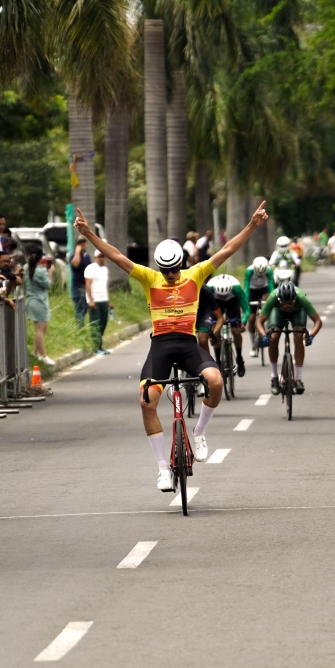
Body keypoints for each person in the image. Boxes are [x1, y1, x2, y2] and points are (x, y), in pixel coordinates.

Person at [74, 201, 268, 492]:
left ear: (181, 264)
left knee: (215, 380)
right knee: (146, 401)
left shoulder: (196, 274)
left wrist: (252, 225)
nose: (171, 275)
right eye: (166, 271)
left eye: (175, 270)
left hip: (188, 344)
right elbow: (115, 255)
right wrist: (89, 235)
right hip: (161, 347)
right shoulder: (149, 278)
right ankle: (163, 469)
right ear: (159, 268)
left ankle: (200, 432)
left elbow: (227, 251)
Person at [256, 280, 322, 396]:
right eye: (284, 303)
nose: (287, 306)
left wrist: (311, 336)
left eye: (290, 303)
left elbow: (318, 321)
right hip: (277, 312)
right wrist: (264, 336)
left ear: (295, 299)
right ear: (279, 300)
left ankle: (298, 379)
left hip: (298, 312)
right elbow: (259, 322)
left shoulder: (301, 297)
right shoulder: (273, 298)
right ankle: (274, 377)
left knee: (298, 336)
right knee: (274, 336)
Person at [207, 274, 249, 376]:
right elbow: (206, 309)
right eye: (221, 296)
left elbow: (247, 309)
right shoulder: (209, 289)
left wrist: (243, 322)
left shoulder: (237, 289)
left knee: (235, 330)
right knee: (215, 330)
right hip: (215, 303)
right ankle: (218, 360)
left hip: (232, 302)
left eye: (225, 296)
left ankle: (239, 358)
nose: (223, 298)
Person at [23, 244, 55, 366]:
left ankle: (35, 353)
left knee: (41, 328)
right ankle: (43, 355)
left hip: (31, 300)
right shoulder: (41, 271)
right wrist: (50, 272)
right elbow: (48, 285)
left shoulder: (25, 268)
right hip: (39, 301)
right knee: (40, 329)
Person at [244, 256, 275, 356]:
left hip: (264, 289)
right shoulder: (249, 271)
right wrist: (247, 304)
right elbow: (246, 289)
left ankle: (269, 323)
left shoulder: (269, 270)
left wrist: (272, 300)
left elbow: (271, 287)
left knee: (268, 300)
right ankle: (253, 345)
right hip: (252, 291)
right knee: (252, 318)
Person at [84, 250, 113, 354]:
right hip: (94, 301)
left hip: (103, 300)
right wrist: (90, 300)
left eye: (103, 256)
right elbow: (88, 284)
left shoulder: (105, 269)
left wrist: (108, 302)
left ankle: (99, 345)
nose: (102, 258)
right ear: (95, 258)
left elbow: (104, 287)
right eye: (99, 256)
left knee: (103, 323)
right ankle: (96, 347)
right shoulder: (90, 268)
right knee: (95, 323)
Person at [195, 283, 223, 354]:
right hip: (183, 314)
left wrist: (214, 334)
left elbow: (220, 318)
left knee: (202, 339)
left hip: (203, 313)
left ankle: (207, 363)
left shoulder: (205, 289)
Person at [70, 237, 91, 326]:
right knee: (79, 308)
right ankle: (80, 328)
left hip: (86, 286)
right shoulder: (73, 255)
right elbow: (75, 263)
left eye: (83, 242)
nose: (82, 244)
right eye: (80, 243)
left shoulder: (86, 256)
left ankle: (80, 325)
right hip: (78, 287)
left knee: (85, 308)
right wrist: (78, 251)